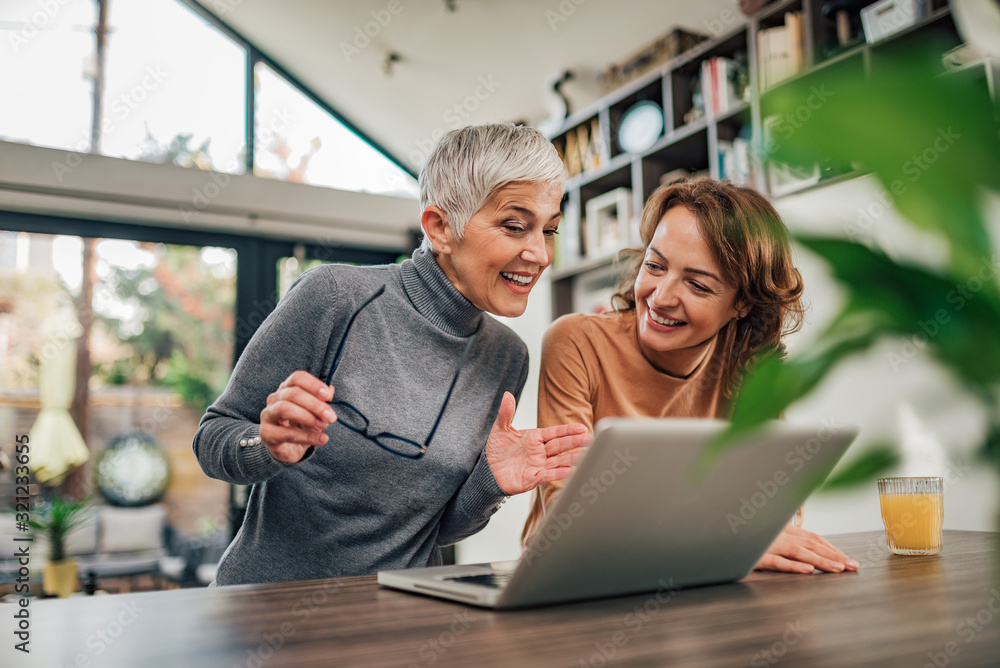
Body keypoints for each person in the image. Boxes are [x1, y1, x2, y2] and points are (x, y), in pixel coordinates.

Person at [195, 124, 589, 585]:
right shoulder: (334, 297)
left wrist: (491, 482)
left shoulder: (507, 357)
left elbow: (436, 531)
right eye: (515, 226)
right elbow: (213, 438)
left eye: (550, 230)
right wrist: (268, 447)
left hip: (402, 616)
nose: (540, 254)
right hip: (268, 610)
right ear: (440, 228)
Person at [521, 178, 859, 574]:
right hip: (572, 580)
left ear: (743, 303)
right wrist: (723, 537)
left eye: (697, 285)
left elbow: (772, 506)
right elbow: (569, 516)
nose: (661, 296)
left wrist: (731, 539)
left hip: (700, 579)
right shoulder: (576, 342)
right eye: (654, 265)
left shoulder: (748, 366)